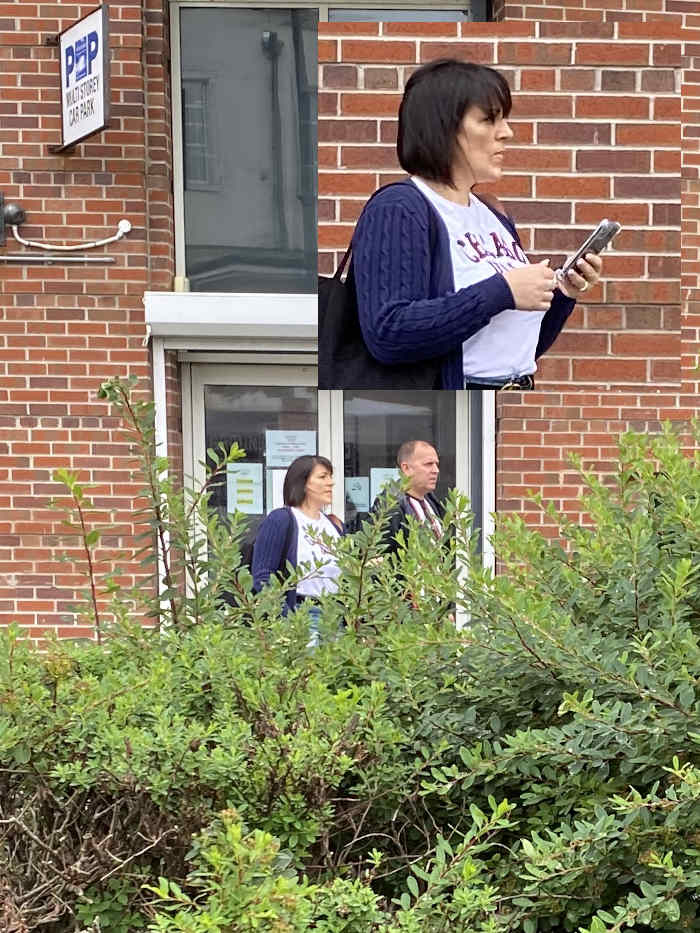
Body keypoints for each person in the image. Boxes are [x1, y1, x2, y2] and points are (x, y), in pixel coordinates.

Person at [352, 58, 603, 390]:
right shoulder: (401, 207)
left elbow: (515, 349)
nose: (507, 133)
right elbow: (389, 331)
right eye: (489, 120)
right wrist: (502, 290)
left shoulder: (492, 214)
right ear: (443, 128)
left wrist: (562, 294)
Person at [252, 455, 344, 641]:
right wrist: (287, 620)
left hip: (335, 618)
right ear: (303, 482)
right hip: (302, 615)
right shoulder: (282, 519)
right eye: (322, 477)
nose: (331, 483)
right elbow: (263, 576)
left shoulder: (333, 525)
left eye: (330, 476)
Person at [372, 440, 446, 556]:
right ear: (406, 468)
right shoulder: (389, 505)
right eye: (428, 464)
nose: (436, 470)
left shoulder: (432, 502)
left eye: (437, 464)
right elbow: (379, 558)